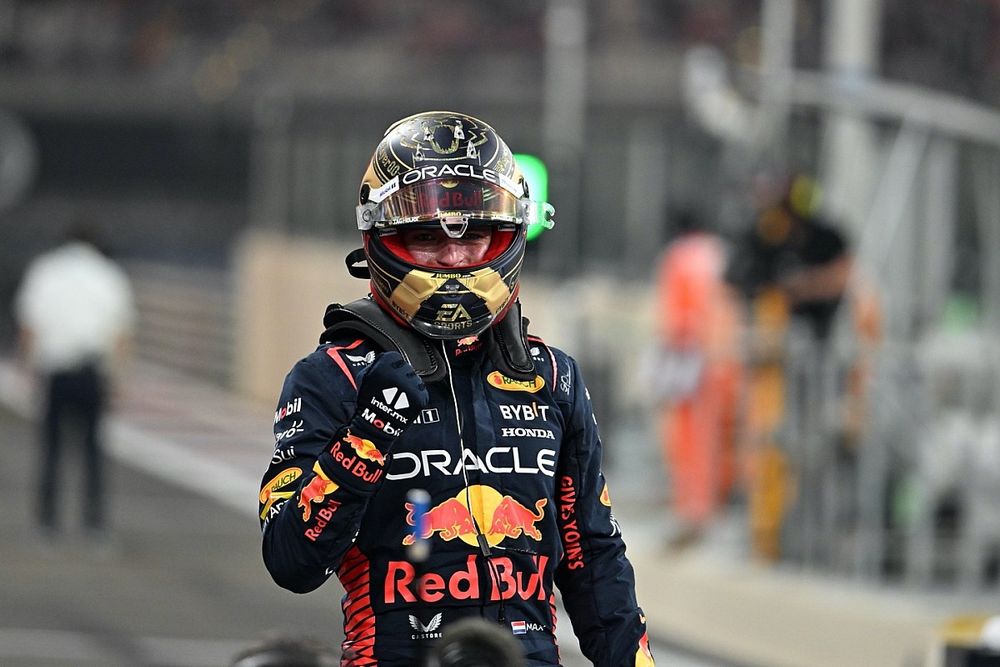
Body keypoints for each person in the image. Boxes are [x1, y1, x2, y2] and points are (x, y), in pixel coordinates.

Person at [257, 111, 655, 666]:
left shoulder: (553, 377)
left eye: (474, 235)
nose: (453, 258)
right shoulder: (332, 375)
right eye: (426, 237)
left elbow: (594, 558)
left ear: (508, 235)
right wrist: (369, 434)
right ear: (380, 237)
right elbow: (291, 561)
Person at [14, 221, 136, 540]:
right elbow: (120, 332)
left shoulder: (45, 271)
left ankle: (47, 522)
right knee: (93, 451)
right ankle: (93, 524)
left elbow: (29, 326)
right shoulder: (108, 275)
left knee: (51, 449)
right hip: (92, 372)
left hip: (55, 371)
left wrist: (29, 369)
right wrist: (119, 377)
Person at [651, 209, 741, 549]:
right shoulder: (721, 252)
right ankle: (718, 507)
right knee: (723, 440)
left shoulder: (679, 257)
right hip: (726, 359)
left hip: (692, 361)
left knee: (688, 442)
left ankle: (694, 512)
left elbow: (675, 319)